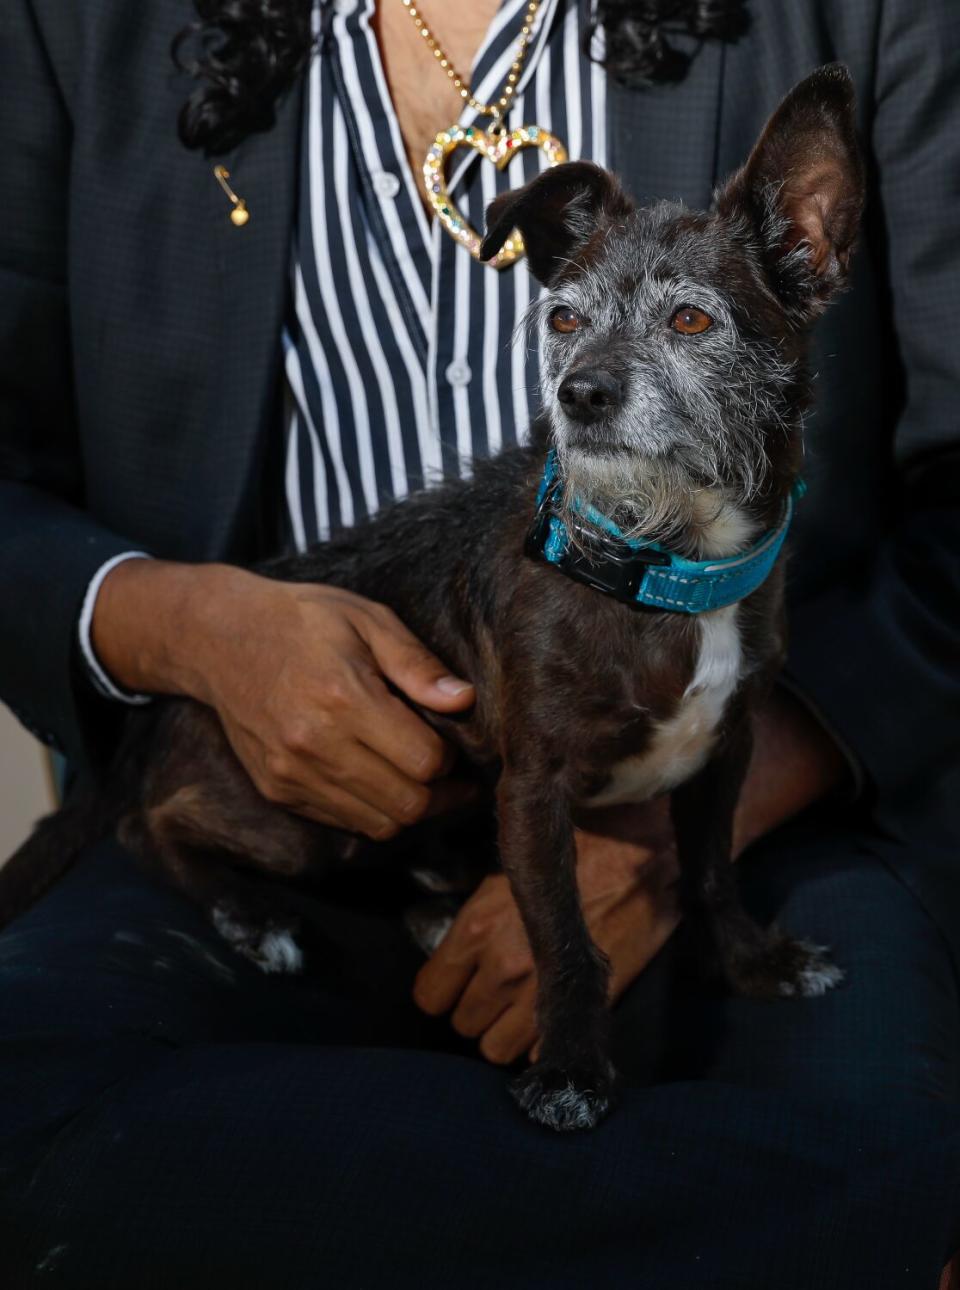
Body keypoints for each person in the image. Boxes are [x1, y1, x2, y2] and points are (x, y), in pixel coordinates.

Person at [1, 0, 958, 1285]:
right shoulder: (76, 23)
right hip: (274, 805)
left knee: (898, 1154)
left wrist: (673, 847)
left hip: (756, 801)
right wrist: (183, 624)